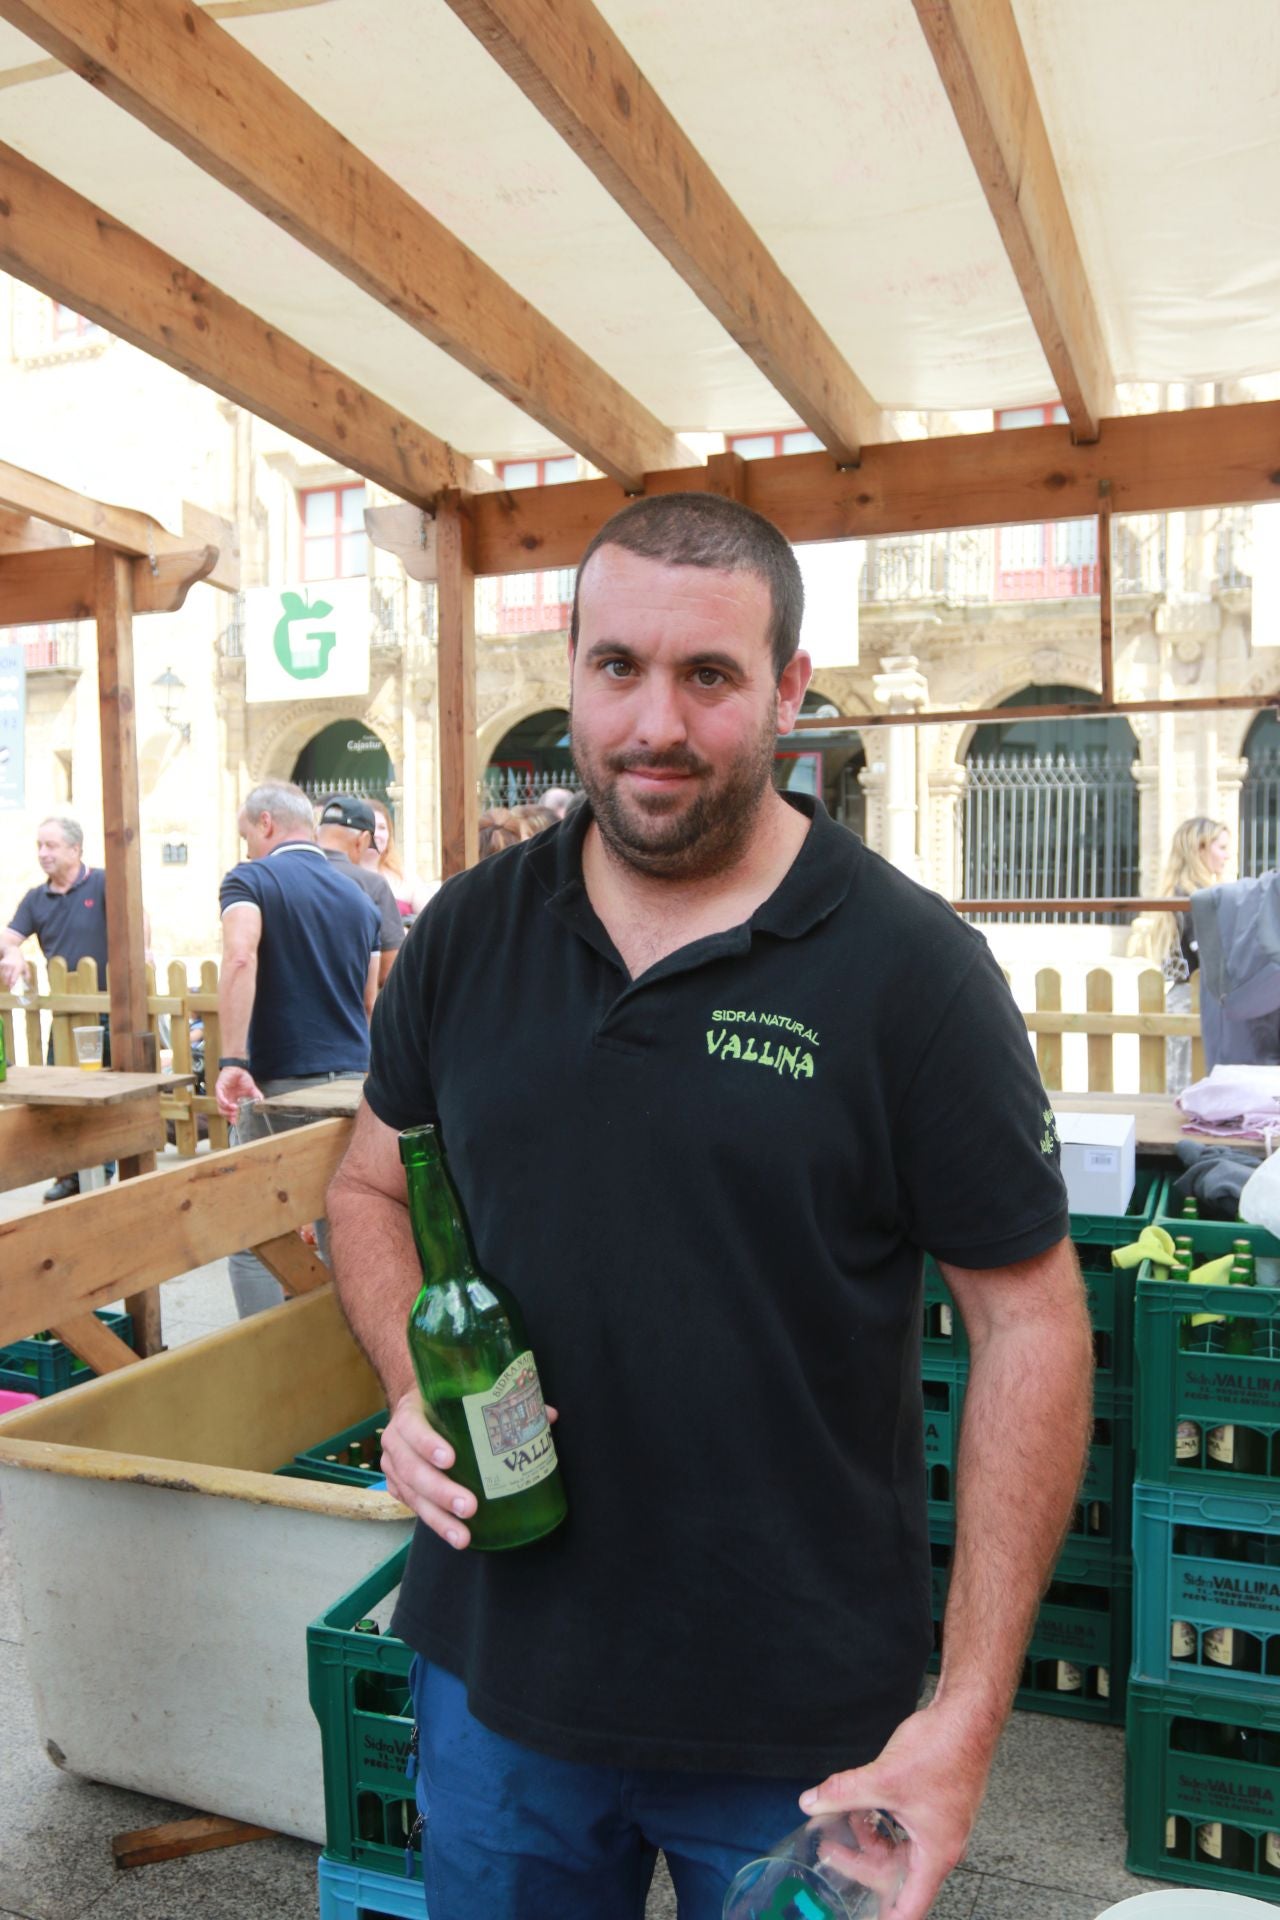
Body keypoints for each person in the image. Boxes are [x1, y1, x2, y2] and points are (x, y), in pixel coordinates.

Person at [326, 493, 1092, 1920]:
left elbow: (1031, 1320)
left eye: (709, 677)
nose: (652, 725)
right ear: (571, 669)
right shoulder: (472, 933)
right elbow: (370, 1182)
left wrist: (971, 1715)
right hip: (500, 1682)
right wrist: (405, 1377)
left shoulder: (913, 975)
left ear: (789, 691)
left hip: (797, 1725)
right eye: (617, 668)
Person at [215, 781, 381, 1318]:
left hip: (278, 1083)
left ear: (265, 824)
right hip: (352, 1082)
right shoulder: (359, 897)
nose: (245, 847)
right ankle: (348, 1358)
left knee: (250, 1233)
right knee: (345, 1223)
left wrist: (233, 1061)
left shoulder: (251, 878)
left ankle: (261, 1367)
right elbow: (370, 1000)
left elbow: (240, 957)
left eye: (246, 834)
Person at [1, 816, 120, 1201]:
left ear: (75, 849)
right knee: (60, 1094)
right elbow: (9, 937)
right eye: (39, 845)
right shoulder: (37, 898)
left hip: (111, 1010)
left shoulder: (102, 883)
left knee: (107, 1093)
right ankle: (69, 1173)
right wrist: (14, 952)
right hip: (65, 1014)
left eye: (51, 845)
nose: (42, 853)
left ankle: (99, 1170)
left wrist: (145, 949)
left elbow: (139, 917)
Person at [1132, 816, 1230, 1094]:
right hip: (1191, 999)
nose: (1227, 855)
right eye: (1221, 847)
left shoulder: (1188, 895)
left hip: (1194, 997)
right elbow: (1209, 952)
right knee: (1186, 1083)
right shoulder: (1191, 899)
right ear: (1199, 848)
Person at [316, 794, 405, 985]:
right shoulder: (373, 885)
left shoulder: (286, 876)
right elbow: (389, 970)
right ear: (363, 840)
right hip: (349, 1008)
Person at [363, 798, 437, 918]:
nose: (375, 834)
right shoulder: (341, 875)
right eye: (369, 826)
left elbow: (433, 917)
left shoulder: (406, 877)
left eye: (382, 827)